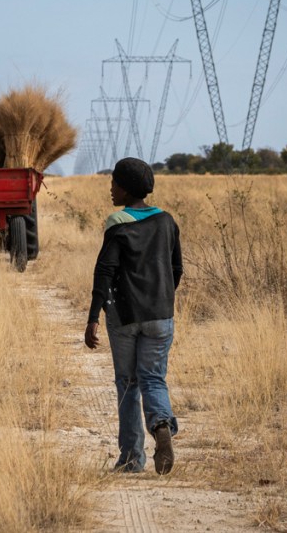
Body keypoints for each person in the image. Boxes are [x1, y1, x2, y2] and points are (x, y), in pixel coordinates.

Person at [84, 157, 183, 474]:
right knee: (154, 378)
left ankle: (131, 458)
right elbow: (176, 269)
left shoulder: (118, 222)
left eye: (114, 183)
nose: (111, 188)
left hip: (125, 316)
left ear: (125, 189)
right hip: (160, 314)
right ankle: (161, 425)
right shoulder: (167, 221)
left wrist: (93, 317)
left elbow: (105, 271)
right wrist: (162, 298)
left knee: (128, 384)